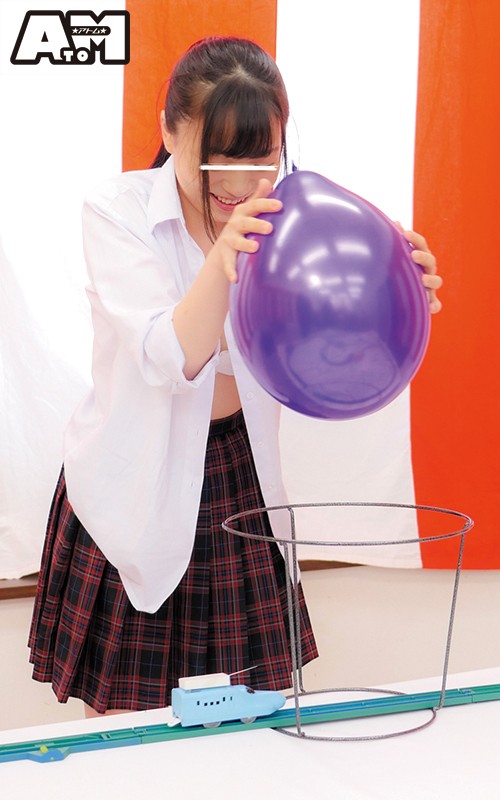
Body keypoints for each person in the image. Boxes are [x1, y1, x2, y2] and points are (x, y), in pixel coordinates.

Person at [28, 36, 442, 717]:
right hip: (137, 479)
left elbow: (329, 342)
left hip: (237, 474)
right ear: (170, 132)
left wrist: (395, 292)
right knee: (134, 726)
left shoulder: (293, 221)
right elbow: (169, 356)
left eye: (262, 157)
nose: (241, 181)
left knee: (253, 717)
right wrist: (227, 254)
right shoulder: (117, 211)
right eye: (218, 155)